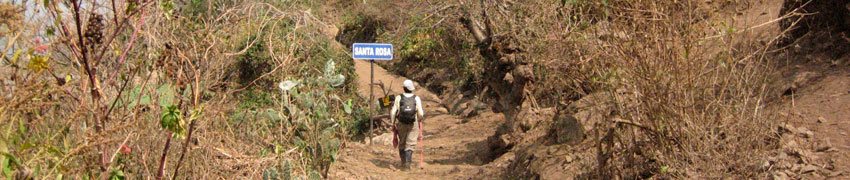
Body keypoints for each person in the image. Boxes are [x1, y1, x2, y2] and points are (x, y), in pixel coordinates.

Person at [390, 80, 425, 170]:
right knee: (411, 144)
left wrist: (393, 123)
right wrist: (420, 119)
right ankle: (408, 164)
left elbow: (393, 112)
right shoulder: (416, 98)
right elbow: (420, 113)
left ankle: (403, 163)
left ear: (404, 88)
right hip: (413, 124)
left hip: (401, 123)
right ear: (411, 89)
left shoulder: (399, 98)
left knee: (402, 143)